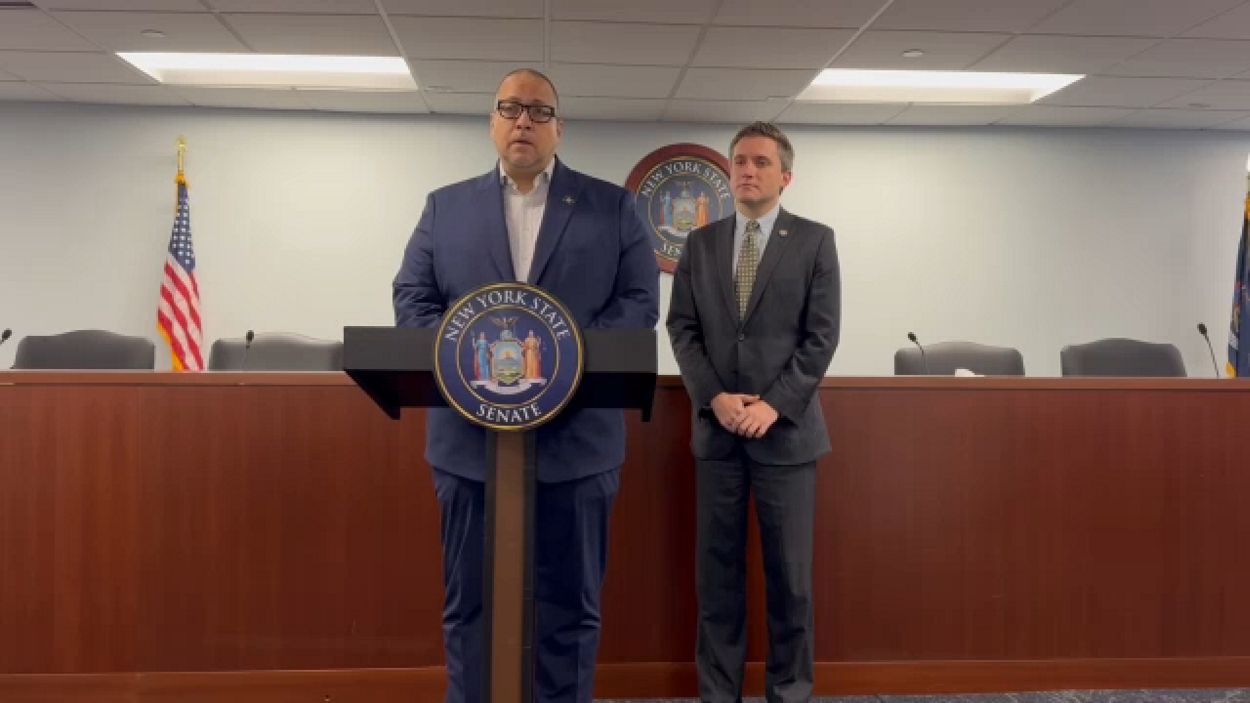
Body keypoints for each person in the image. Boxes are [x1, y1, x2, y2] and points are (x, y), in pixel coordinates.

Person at [393, 68, 659, 703]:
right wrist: (469, 361)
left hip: (578, 446)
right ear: (492, 122)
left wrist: (564, 363)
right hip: (468, 449)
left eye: (539, 111)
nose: (524, 121)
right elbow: (412, 299)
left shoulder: (612, 207)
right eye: (511, 108)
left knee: (570, 607)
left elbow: (638, 302)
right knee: (469, 608)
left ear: (558, 129)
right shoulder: (445, 207)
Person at [666, 121, 840, 703]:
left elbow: (821, 337)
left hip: (786, 438)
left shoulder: (815, 241)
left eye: (761, 162)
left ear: (785, 176)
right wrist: (713, 396)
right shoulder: (699, 244)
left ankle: (790, 692)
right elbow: (682, 329)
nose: (747, 169)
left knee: (791, 582)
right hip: (717, 436)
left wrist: (774, 405)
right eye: (739, 160)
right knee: (717, 581)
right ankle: (719, 694)